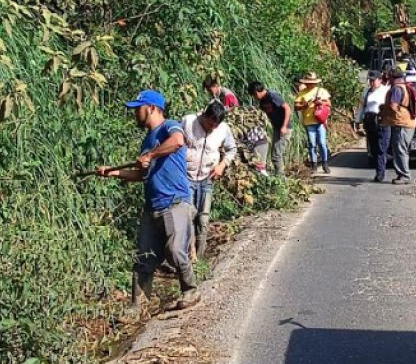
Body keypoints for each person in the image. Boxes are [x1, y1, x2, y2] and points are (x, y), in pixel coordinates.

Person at [96, 90, 199, 311]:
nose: (135, 113)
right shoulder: (147, 140)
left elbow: (178, 142)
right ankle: (137, 307)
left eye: (138, 108)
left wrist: (150, 155)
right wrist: (112, 173)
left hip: (175, 201)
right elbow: (142, 175)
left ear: (151, 108)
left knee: (174, 250)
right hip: (152, 206)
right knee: (144, 259)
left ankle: (190, 290)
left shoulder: (169, 127)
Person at [181, 101, 237, 259]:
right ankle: (189, 255)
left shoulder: (223, 129)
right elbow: (174, 140)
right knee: (188, 215)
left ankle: (200, 255)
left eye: (215, 125)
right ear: (204, 116)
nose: (211, 128)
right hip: (186, 176)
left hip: (207, 177)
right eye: (210, 123)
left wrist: (222, 165)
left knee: (203, 218)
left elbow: (231, 149)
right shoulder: (188, 122)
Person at [379, 68, 416, 185]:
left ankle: (405, 176)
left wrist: (383, 111)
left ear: (392, 77)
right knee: (399, 149)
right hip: (404, 123)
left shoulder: (396, 89)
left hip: (402, 123)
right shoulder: (402, 86)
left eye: (387, 76)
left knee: (400, 150)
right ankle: (401, 174)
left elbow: (393, 105)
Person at [247, 81, 292, 177]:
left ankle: (281, 180)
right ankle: (279, 176)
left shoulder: (272, 96)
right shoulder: (262, 100)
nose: (254, 98)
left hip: (284, 128)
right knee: (276, 154)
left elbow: (287, 108)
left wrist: (284, 126)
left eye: (254, 96)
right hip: (277, 128)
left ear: (256, 92)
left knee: (276, 155)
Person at [355, 70, 390, 182]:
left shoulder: (386, 91)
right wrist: (358, 120)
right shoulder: (366, 91)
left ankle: (380, 173)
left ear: (380, 80)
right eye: (369, 80)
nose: (371, 83)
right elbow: (361, 107)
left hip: (381, 121)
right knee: (373, 148)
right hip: (369, 121)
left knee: (381, 148)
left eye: (373, 80)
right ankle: (378, 169)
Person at [294, 72, 331, 173]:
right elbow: (296, 106)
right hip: (308, 121)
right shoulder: (302, 93)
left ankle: (324, 163)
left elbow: (328, 103)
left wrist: (320, 102)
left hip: (320, 121)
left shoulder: (321, 91)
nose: (310, 84)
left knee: (322, 143)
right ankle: (314, 165)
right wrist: (304, 106)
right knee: (312, 144)